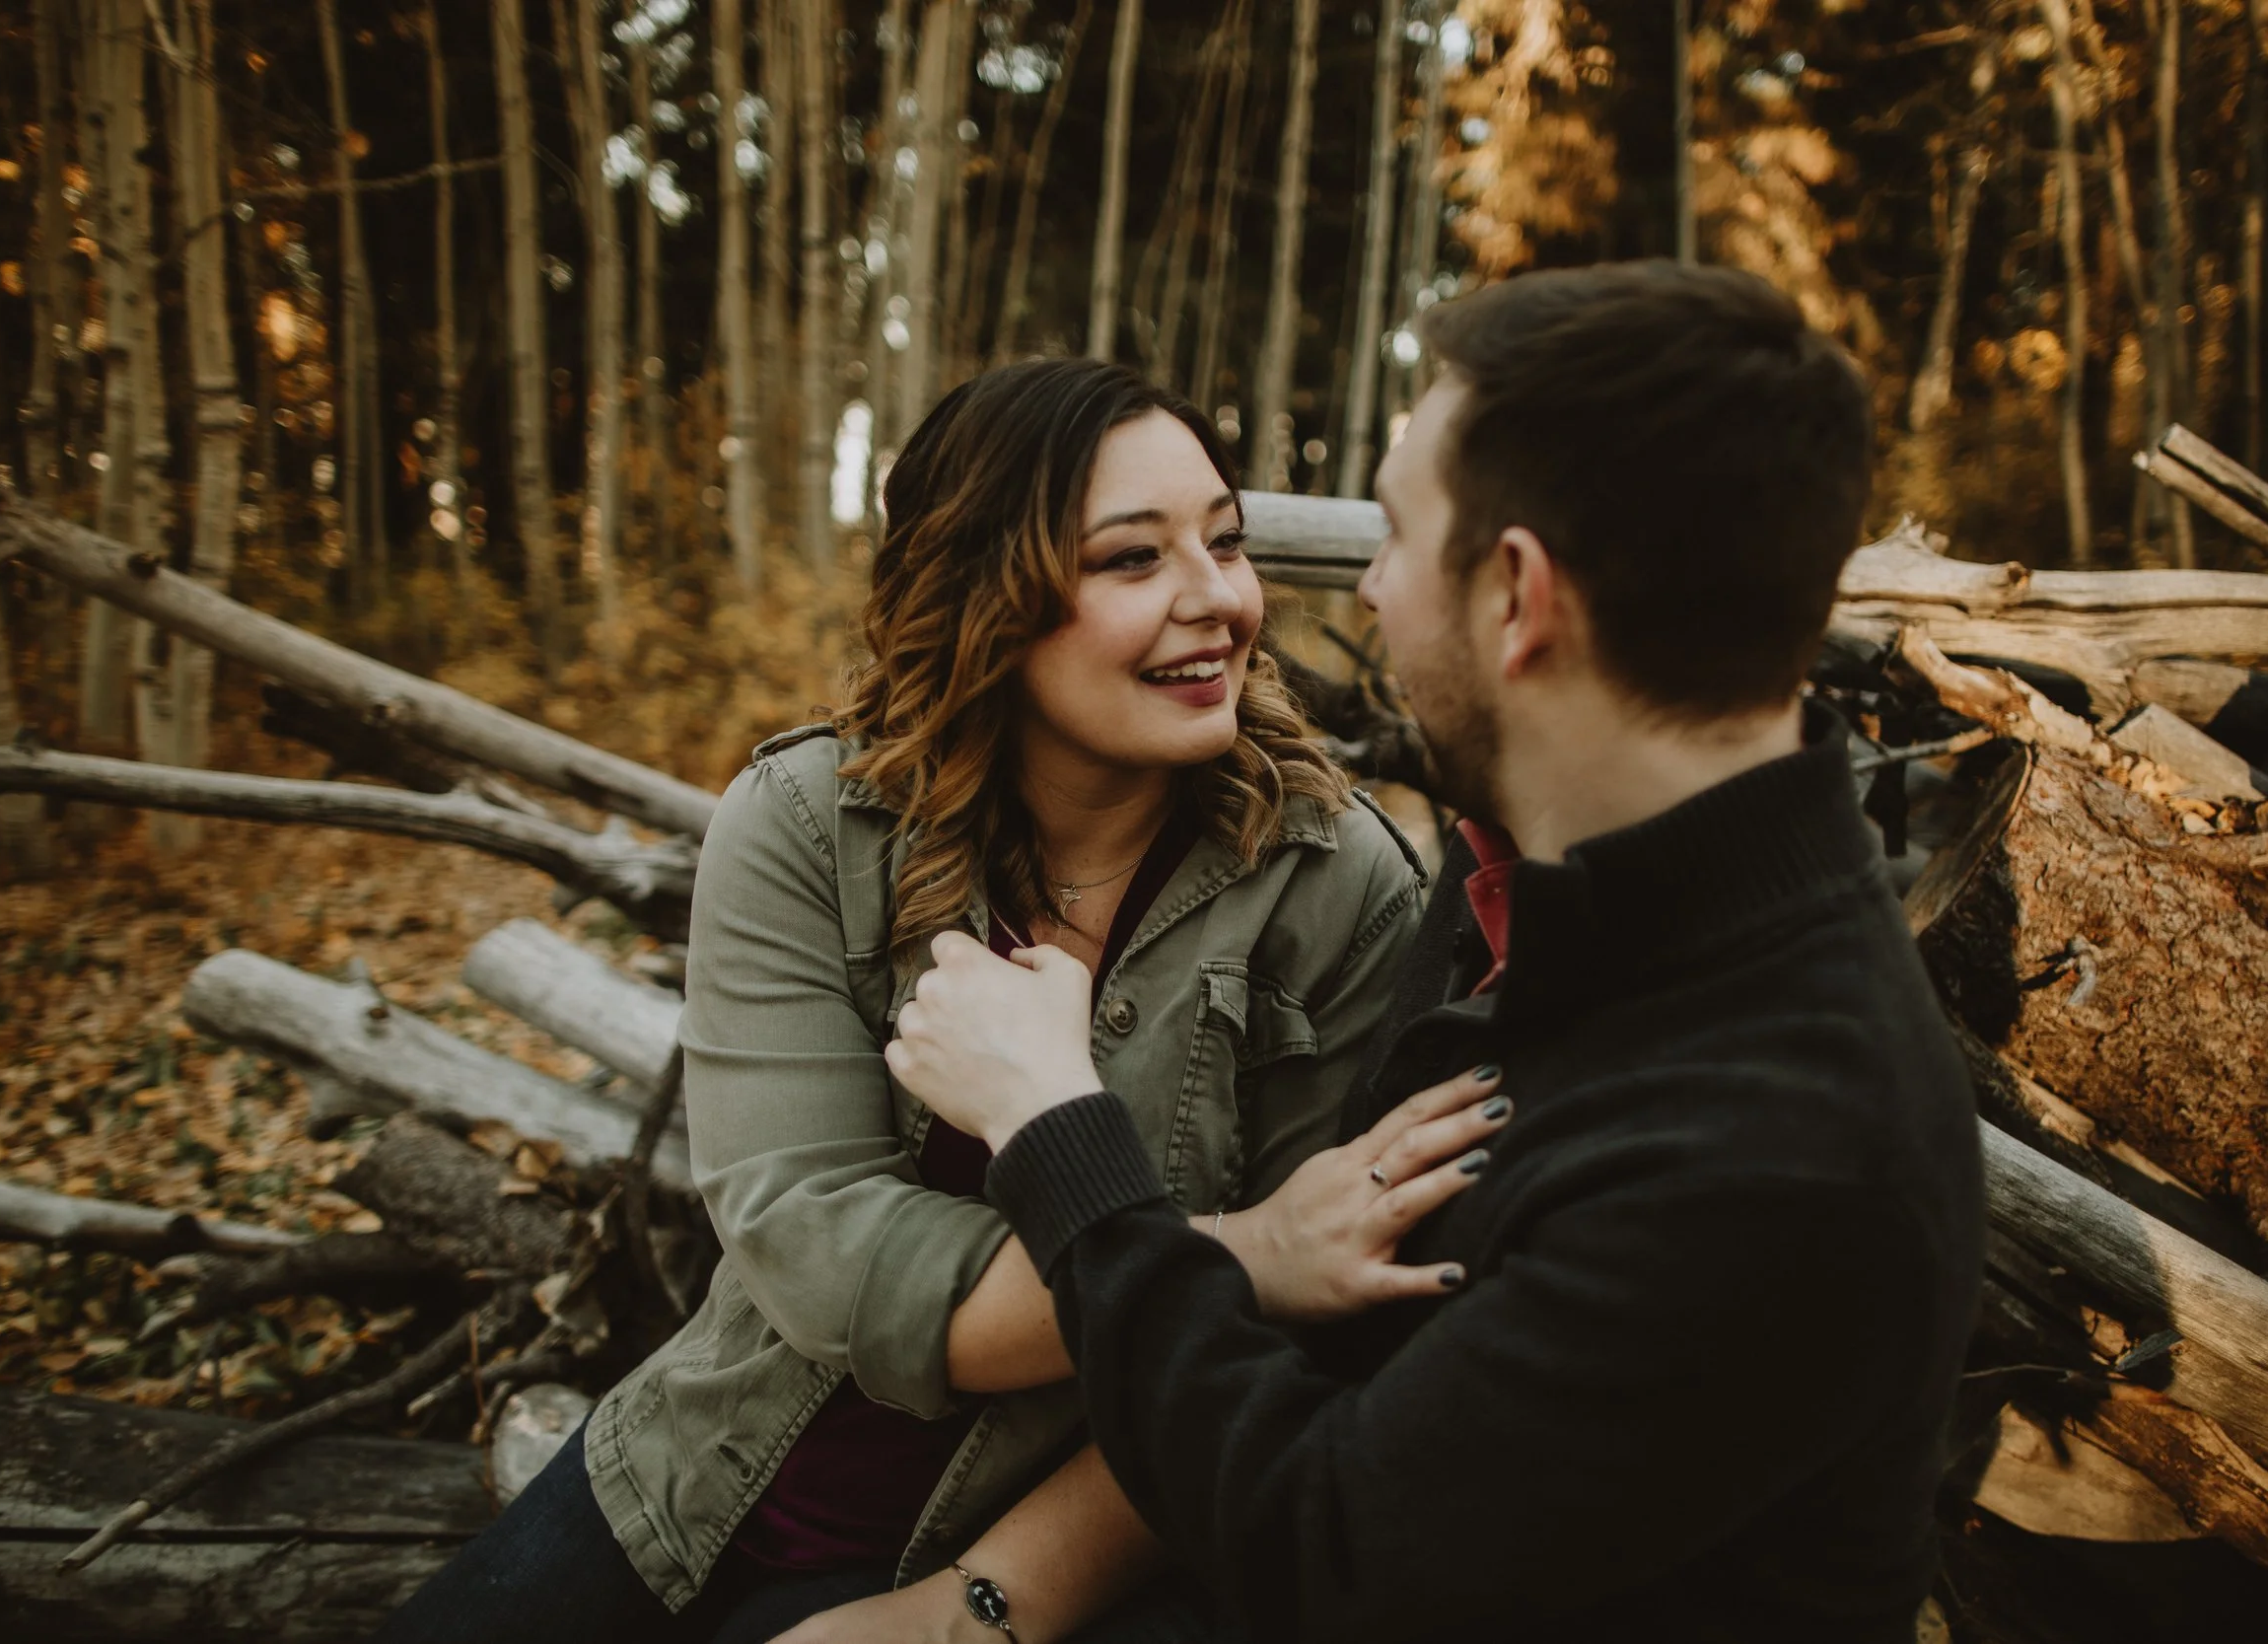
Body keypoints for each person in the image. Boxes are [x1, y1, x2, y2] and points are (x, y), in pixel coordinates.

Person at [886, 262, 1990, 1642]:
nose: (1365, 584)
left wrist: (1056, 1124)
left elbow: (1333, 1550)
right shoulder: (1538, 900)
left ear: (1517, 595)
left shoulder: (1778, 1142)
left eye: (1399, 535)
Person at [371, 358, 1432, 1644]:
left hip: (1081, 1538)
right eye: (1131, 560)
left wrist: (971, 1609)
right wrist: (1249, 1253)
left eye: (1225, 542)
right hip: (701, 1478)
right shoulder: (806, 826)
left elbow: (1270, 1373)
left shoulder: (1336, 882)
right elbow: (820, 1253)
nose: (1218, 600)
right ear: (988, 596)